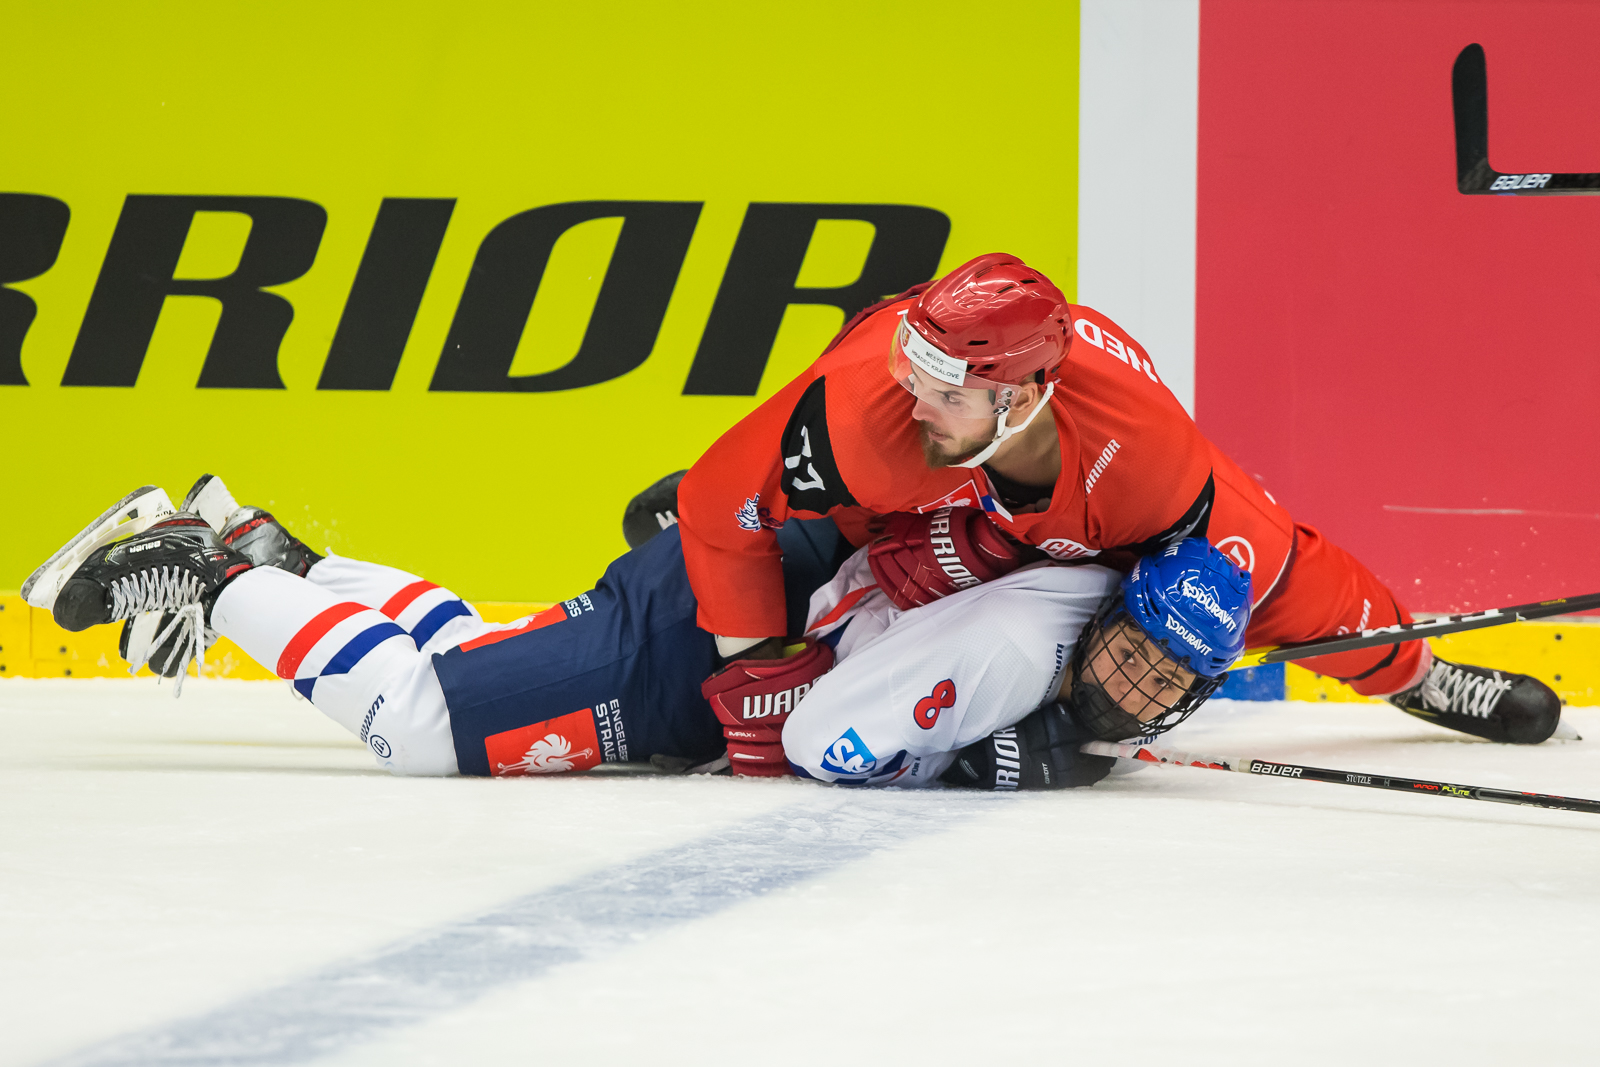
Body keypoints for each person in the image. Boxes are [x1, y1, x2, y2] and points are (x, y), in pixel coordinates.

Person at [669, 253, 1563, 746]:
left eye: (941, 388)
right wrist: (749, 660)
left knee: (1273, 580)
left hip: (1092, 504)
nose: (915, 400)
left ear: (1020, 398)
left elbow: (1271, 578)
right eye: (916, 375)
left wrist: (1401, 663)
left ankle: (1421, 676)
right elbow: (721, 502)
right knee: (833, 500)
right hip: (928, 474)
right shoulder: (879, 409)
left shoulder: (1146, 461)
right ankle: (781, 498)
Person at [22, 477, 1252, 787]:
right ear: (1110, 614)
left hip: (724, 600)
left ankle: (276, 557)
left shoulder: (1085, 591)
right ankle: (204, 570)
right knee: (424, 724)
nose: (1136, 677)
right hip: (689, 652)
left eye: (1164, 675)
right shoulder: (1014, 652)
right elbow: (821, 740)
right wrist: (987, 763)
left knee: (471, 649)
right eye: (1136, 647)